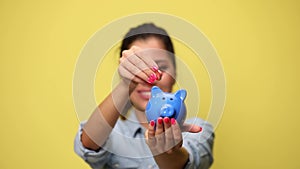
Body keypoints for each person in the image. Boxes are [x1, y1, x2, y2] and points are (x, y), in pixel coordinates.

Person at [74, 23, 214, 169]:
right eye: (138, 69)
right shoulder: (113, 133)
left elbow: (188, 164)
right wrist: (127, 82)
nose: (149, 79)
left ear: (175, 73)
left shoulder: (199, 129)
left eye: (161, 68)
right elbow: (87, 145)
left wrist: (163, 150)